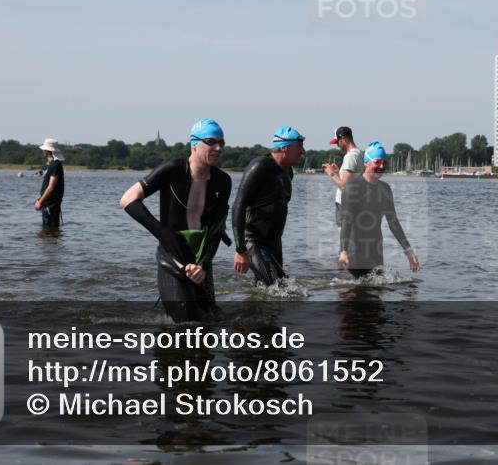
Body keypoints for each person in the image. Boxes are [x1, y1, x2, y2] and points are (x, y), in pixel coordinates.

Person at [119, 119, 232, 322]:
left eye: (222, 143)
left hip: (201, 261)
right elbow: (127, 199)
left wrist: (203, 265)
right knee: (186, 322)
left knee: (209, 320)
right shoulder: (173, 170)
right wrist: (164, 235)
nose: (218, 148)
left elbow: (216, 230)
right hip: (172, 256)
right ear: (194, 144)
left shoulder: (223, 181)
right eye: (211, 141)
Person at [231, 126, 305, 286]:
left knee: (266, 288)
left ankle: (254, 310)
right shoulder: (259, 167)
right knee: (283, 289)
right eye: (299, 146)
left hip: (274, 241)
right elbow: (238, 205)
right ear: (285, 147)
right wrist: (240, 249)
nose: (303, 151)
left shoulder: (288, 172)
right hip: (253, 240)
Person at [338, 141, 420, 278]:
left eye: (384, 162)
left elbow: (393, 222)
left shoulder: (385, 189)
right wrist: (343, 251)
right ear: (366, 162)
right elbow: (346, 222)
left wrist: (408, 250)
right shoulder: (353, 188)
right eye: (377, 162)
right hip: (354, 253)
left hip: (376, 251)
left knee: (377, 292)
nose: (381, 166)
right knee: (359, 293)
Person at [322, 126, 363, 232]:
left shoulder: (349, 157)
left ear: (344, 139)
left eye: (337, 142)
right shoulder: (359, 154)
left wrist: (330, 173)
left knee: (345, 243)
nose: (337, 145)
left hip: (345, 205)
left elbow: (345, 186)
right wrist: (338, 173)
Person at [35, 138, 65, 228]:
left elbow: (51, 187)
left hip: (51, 207)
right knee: (48, 235)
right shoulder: (52, 165)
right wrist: (40, 197)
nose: (42, 151)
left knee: (48, 234)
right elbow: (48, 185)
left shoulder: (55, 165)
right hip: (49, 206)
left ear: (48, 151)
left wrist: (40, 202)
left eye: (44, 149)